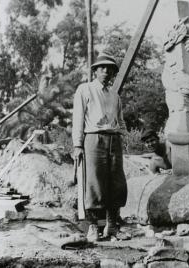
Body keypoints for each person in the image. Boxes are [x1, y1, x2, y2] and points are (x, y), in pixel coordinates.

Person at [72, 52, 127, 242]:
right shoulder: (85, 89)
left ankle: (112, 226)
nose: (106, 71)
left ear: (113, 72)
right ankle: (93, 227)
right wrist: (77, 145)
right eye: (101, 68)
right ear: (95, 71)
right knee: (94, 182)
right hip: (93, 139)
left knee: (116, 182)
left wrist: (122, 137)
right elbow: (78, 118)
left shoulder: (115, 96)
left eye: (109, 68)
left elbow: (121, 121)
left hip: (113, 140)